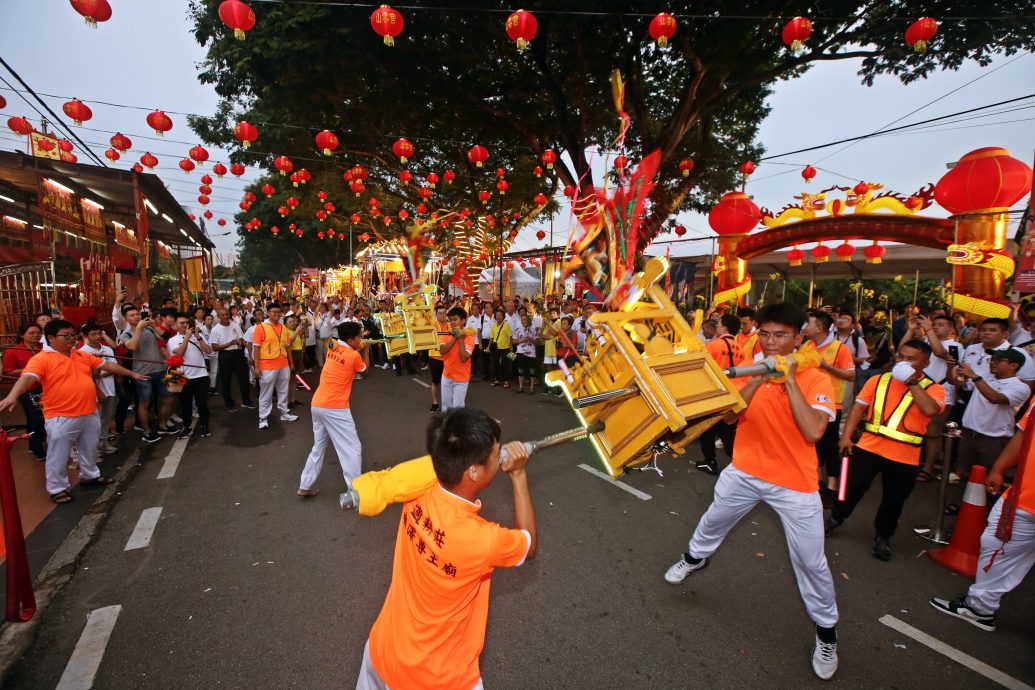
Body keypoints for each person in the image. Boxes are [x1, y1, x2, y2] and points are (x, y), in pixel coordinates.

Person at [663, 302, 840, 680]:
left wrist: (789, 380)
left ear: (798, 337)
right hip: (745, 470)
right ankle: (694, 557)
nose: (772, 342)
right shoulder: (752, 368)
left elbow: (813, 432)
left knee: (811, 561)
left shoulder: (816, 378)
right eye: (765, 334)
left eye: (781, 335)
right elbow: (729, 416)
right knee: (714, 519)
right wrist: (760, 378)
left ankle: (827, 633)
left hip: (795, 483)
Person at [358, 408, 535, 690]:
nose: (500, 459)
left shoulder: (417, 489)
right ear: (473, 472)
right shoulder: (482, 539)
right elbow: (528, 544)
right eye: (496, 455)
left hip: (381, 653)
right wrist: (519, 475)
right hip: (435, 680)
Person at [0, 320, 145, 504]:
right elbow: (27, 378)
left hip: (88, 411)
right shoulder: (41, 359)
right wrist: (12, 396)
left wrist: (131, 374)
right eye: (65, 336)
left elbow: (106, 366)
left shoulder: (79, 355)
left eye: (72, 335)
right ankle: (57, 488)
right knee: (58, 454)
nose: (71, 339)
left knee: (89, 448)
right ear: (51, 338)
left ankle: (90, 475)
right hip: (61, 416)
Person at [826, 340, 946, 560]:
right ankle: (835, 517)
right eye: (900, 357)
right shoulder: (878, 380)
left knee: (894, 500)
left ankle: (883, 536)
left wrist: (911, 381)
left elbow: (930, 409)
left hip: (906, 456)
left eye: (911, 359)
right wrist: (845, 437)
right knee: (849, 486)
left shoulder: (934, 389)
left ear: (926, 363)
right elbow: (858, 409)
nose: (903, 362)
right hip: (869, 446)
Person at [930, 405, 1035, 633]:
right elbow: (1025, 434)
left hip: (1025, 503)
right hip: (1026, 500)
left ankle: (979, 607)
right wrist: (999, 468)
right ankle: (979, 607)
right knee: (996, 545)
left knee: (996, 546)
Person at [948, 348, 1030, 507]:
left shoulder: (1020, 387)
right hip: (969, 433)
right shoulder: (985, 377)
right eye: (992, 359)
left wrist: (976, 377)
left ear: (1013, 365)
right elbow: (957, 382)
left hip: (994, 439)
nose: (992, 362)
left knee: (988, 479)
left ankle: (984, 515)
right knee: (965, 474)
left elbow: (995, 398)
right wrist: (952, 367)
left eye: (999, 360)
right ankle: (961, 507)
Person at [297, 322, 367, 498]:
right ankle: (355, 492)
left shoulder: (332, 346)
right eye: (359, 336)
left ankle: (305, 485)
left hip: (318, 404)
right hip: (335, 408)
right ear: (351, 340)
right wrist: (365, 349)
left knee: (319, 446)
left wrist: (360, 344)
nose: (361, 338)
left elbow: (343, 349)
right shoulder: (353, 356)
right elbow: (365, 370)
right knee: (351, 448)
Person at [804, 310, 856, 498]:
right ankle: (817, 482)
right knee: (814, 444)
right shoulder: (807, 346)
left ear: (819, 327)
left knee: (829, 446)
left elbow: (851, 375)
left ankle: (833, 486)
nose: (804, 327)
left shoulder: (839, 348)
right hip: (809, 403)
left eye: (807, 324)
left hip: (832, 405)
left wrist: (827, 366)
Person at [911, 314, 960, 483]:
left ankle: (928, 468)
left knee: (933, 434)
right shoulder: (926, 343)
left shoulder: (955, 345)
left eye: (941, 324)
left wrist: (928, 329)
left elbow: (940, 352)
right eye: (935, 324)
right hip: (918, 391)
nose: (936, 327)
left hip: (941, 395)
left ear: (952, 329)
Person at [697, 314, 742, 475]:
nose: (718, 327)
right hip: (731, 393)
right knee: (726, 429)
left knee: (707, 429)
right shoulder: (740, 348)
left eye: (720, 324)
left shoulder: (715, 345)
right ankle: (739, 462)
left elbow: (701, 365)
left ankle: (710, 461)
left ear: (725, 328)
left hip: (713, 392)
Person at [126, 311, 178, 443]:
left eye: (137, 314)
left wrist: (154, 326)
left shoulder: (149, 329)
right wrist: (138, 328)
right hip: (142, 373)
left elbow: (164, 339)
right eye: (132, 315)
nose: (136, 317)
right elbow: (132, 346)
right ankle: (147, 431)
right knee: (145, 402)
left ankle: (162, 425)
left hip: (160, 369)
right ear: (125, 319)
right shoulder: (125, 334)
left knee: (169, 398)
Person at [2, 322, 46, 459]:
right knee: (36, 418)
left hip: (46, 388)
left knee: (47, 417)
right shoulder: (14, 351)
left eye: (38, 333)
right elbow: (8, 372)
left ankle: (39, 442)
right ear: (22, 335)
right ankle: (35, 446)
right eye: (31, 333)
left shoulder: (44, 348)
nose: (35, 335)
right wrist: (31, 369)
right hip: (28, 390)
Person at [252, 303, 298, 429]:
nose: (277, 314)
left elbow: (287, 346)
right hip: (267, 366)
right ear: (268, 312)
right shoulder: (260, 327)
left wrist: (291, 363)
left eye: (279, 312)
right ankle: (263, 417)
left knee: (283, 390)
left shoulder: (283, 327)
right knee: (266, 393)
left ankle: (284, 412)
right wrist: (256, 367)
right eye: (274, 312)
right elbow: (256, 348)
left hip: (283, 364)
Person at [168, 313, 214, 438]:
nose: (185, 325)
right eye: (181, 323)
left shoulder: (197, 337)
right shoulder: (173, 340)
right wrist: (187, 337)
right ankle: (187, 426)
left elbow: (209, 351)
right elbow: (179, 354)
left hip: (201, 375)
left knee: (201, 403)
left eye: (187, 322)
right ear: (175, 325)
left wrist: (198, 337)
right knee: (185, 404)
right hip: (183, 377)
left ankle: (204, 425)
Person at [78, 322, 120, 456]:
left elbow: (113, 367)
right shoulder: (82, 353)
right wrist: (105, 368)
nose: (97, 337)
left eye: (99, 333)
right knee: (94, 421)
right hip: (92, 391)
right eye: (93, 334)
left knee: (106, 418)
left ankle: (103, 443)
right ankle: (93, 448)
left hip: (109, 387)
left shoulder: (107, 349)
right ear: (85, 336)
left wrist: (104, 370)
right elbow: (86, 375)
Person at [209, 308, 254, 411]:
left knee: (243, 378)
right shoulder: (216, 329)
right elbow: (215, 347)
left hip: (238, 354)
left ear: (229, 315)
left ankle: (246, 401)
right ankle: (229, 403)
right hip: (225, 356)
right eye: (222, 315)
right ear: (219, 316)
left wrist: (240, 342)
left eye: (226, 314)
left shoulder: (235, 325)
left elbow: (241, 338)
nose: (225, 317)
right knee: (226, 380)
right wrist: (229, 343)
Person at [439, 307, 475, 412]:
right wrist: (455, 337)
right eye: (450, 320)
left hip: (461, 378)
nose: (452, 322)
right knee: (446, 407)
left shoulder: (469, 337)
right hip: (447, 375)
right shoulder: (447, 334)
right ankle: (446, 426)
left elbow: (464, 358)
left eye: (455, 319)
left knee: (458, 408)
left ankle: (458, 427)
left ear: (463, 321)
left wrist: (460, 340)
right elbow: (442, 351)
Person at [427, 306, 449, 413]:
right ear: (436, 315)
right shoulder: (432, 325)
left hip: (449, 358)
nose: (442, 315)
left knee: (449, 381)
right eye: (440, 313)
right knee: (436, 382)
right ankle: (435, 403)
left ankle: (448, 403)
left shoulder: (450, 325)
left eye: (444, 313)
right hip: (435, 357)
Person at [512, 313, 539, 394]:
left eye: (526, 319)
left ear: (529, 320)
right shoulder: (518, 329)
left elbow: (537, 342)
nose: (524, 321)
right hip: (520, 351)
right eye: (522, 320)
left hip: (531, 352)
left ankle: (531, 388)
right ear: (521, 321)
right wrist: (521, 340)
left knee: (532, 370)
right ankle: (521, 387)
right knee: (520, 370)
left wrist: (531, 339)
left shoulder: (533, 329)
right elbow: (513, 341)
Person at [489, 308, 513, 388]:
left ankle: (506, 381)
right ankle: (497, 379)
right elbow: (491, 338)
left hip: (505, 348)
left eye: (500, 315)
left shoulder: (506, 325)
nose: (498, 317)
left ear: (503, 316)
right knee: (495, 364)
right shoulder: (494, 326)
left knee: (505, 364)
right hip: (496, 348)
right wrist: (489, 346)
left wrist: (511, 347)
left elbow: (510, 337)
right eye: (497, 315)